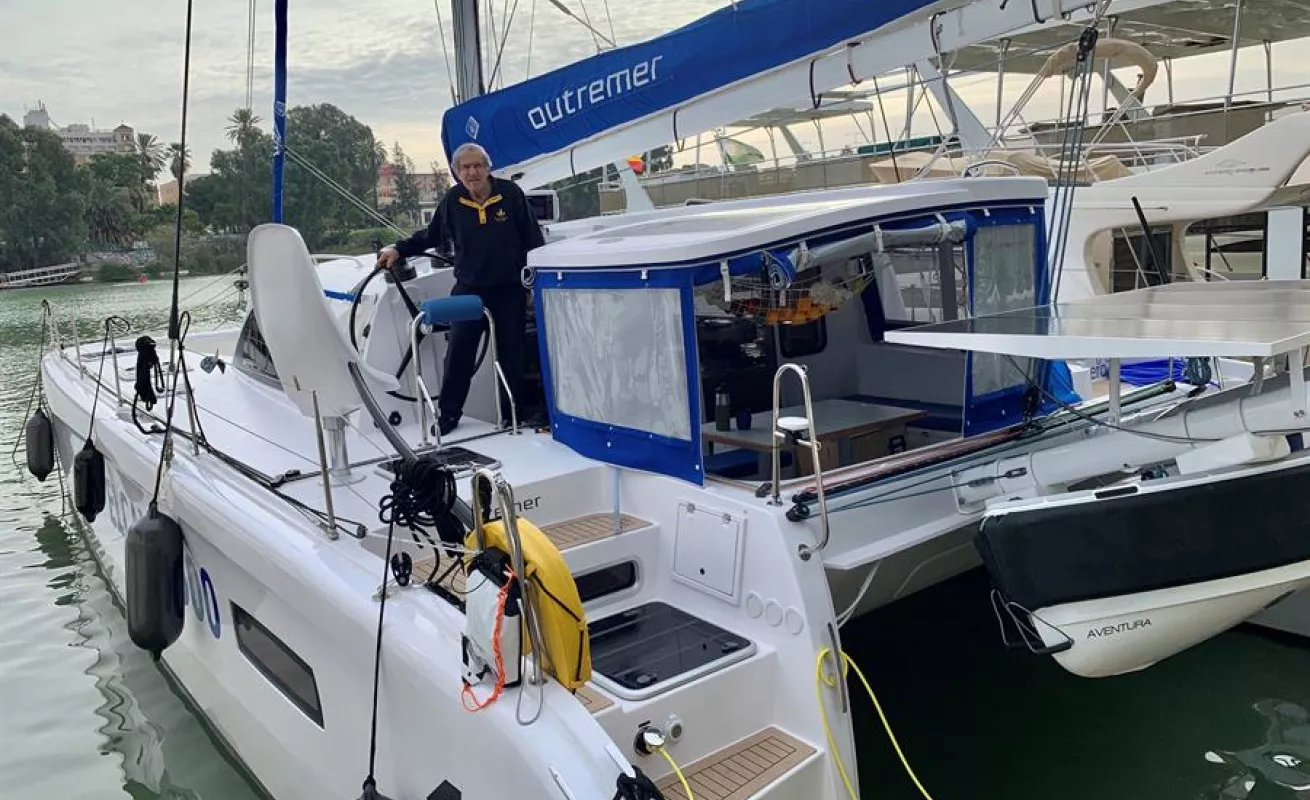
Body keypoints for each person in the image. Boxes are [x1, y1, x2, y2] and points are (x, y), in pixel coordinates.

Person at [378, 142, 544, 435]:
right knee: (458, 355)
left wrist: (533, 285)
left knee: (512, 356)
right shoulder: (453, 200)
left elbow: (533, 240)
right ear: (457, 172)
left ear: (488, 167)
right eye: (465, 167)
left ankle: (512, 416)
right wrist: (399, 249)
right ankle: (448, 416)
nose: (472, 172)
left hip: (509, 291)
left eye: (477, 165)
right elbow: (431, 236)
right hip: (469, 290)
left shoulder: (511, 194)